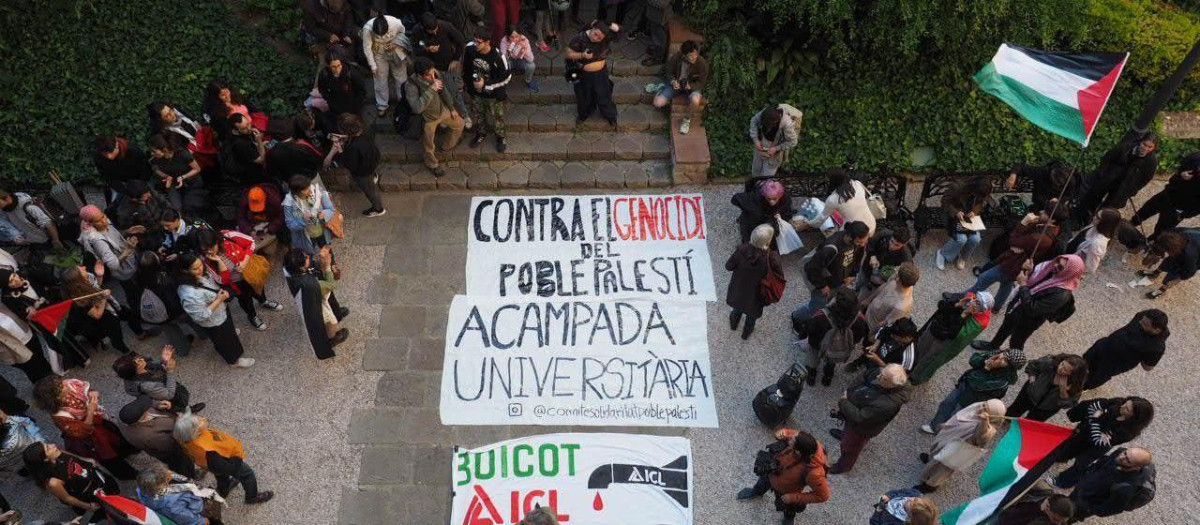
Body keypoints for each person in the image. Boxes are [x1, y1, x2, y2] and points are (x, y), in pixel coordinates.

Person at [32, 377, 138, 480]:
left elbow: (88, 389)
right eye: (61, 388)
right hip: (91, 439)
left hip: (99, 423)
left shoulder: (68, 384)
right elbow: (83, 432)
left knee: (116, 438)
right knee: (108, 456)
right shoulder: (59, 416)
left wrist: (92, 392)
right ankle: (129, 474)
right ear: (54, 397)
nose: (66, 386)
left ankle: (126, 452)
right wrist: (91, 410)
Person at [976, 254, 1083, 351]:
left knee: (1016, 341)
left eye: (1060, 267)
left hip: (1028, 320)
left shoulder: (1061, 294)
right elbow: (1034, 282)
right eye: (1057, 261)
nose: (1055, 265)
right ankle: (993, 346)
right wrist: (1031, 271)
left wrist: (1023, 285)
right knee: (1005, 327)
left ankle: (1012, 362)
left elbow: (1032, 309)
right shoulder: (1050, 271)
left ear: (1069, 272)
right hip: (1018, 306)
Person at [968, 209, 1065, 312]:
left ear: (1052, 220)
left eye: (1046, 212)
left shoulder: (1040, 238)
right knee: (1007, 283)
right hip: (1018, 264)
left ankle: (965, 297)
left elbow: (1013, 240)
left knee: (984, 278)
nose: (1041, 211)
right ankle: (996, 306)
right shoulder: (1052, 228)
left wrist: (1024, 222)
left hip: (1014, 264)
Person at [76, 205, 150, 340]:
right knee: (134, 293)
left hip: (129, 266)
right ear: (90, 223)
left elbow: (113, 234)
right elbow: (114, 264)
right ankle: (143, 316)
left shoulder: (102, 221)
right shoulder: (96, 239)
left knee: (135, 292)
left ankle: (142, 314)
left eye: (103, 216)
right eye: (98, 221)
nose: (104, 221)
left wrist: (127, 231)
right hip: (124, 271)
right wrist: (127, 250)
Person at [734, 428, 830, 525]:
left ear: (798, 451)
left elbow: (823, 496)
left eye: (793, 440)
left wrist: (793, 497)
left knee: (789, 507)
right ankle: (756, 492)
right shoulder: (805, 440)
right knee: (762, 482)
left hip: (787, 490)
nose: (791, 438)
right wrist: (782, 433)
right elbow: (790, 433)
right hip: (772, 472)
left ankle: (789, 518)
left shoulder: (815, 473)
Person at [173, 413, 274, 505]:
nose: (202, 418)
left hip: (208, 464)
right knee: (247, 474)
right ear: (195, 432)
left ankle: (224, 489)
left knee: (221, 475)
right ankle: (252, 497)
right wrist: (237, 459)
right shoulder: (209, 451)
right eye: (198, 421)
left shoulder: (187, 440)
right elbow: (227, 467)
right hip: (225, 462)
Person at [194, 228, 283, 332]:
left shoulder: (229, 236)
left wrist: (245, 260)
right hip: (235, 284)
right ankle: (252, 316)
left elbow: (251, 242)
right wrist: (220, 262)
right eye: (205, 249)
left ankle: (263, 301)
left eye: (211, 247)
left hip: (250, 273)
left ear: (216, 240)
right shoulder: (204, 260)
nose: (209, 251)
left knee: (258, 287)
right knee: (245, 300)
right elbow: (222, 281)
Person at [176, 253, 255, 369]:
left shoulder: (200, 275)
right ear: (185, 271)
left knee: (227, 334)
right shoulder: (188, 294)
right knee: (224, 341)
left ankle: (230, 336)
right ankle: (234, 361)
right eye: (195, 268)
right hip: (213, 320)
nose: (200, 269)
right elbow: (200, 316)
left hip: (220, 311)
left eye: (200, 265)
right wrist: (219, 300)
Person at [1053, 396, 1153, 488]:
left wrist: (1095, 418)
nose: (1122, 406)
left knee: (1080, 465)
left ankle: (1062, 482)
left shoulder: (1127, 433)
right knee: (1069, 447)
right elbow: (1093, 406)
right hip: (1083, 433)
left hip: (1094, 448)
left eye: (1127, 409)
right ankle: (1060, 458)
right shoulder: (1118, 402)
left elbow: (1098, 441)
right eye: (1125, 403)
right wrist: (1098, 427)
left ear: (1134, 417)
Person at [0, 268, 88, 373]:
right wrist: (29, 312)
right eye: (11, 281)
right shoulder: (8, 297)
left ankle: (83, 349)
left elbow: (45, 284)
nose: (16, 280)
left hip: (53, 307)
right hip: (41, 319)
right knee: (58, 338)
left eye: (14, 276)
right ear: (6, 286)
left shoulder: (28, 277)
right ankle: (76, 359)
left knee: (66, 329)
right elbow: (21, 313)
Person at [828, 364, 910, 474]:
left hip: (861, 428)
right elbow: (865, 375)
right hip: (854, 416)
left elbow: (859, 417)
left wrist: (844, 401)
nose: (878, 377)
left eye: (883, 378)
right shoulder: (884, 375)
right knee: (848, 434)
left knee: (851, 449)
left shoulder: (887, 404)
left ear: (892, 384)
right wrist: (851, 391)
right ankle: (844, 436)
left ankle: (843, 466)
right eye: (881, 372)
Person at [922, 348, 1025, 434]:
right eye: (1004, 354)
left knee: (957, 416)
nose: (1001, 357)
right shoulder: (995, 354)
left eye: (1006, 360)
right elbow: (973, 359)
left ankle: (945, 434)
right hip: (963, 386)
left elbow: (976, 383)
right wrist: (984, 360)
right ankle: (935, 426)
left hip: (971, 400)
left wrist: (987, 368)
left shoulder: (1003, 382)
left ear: (1010, 367)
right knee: (947, 404)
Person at [916, 399, 1005, 493]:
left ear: (992, 416)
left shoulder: (989, 428)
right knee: (937, 451)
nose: (982, 408)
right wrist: (948, 424)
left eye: (986, 409)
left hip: (957, 448)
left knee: (943, 468)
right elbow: (960, 416)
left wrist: (984, 422)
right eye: (984, 404)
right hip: (949, 437)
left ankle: (930, 486)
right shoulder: (977, 407)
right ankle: (931, 461)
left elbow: (982, 437)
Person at [22, 442, 121, 523]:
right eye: (48, 448)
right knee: (109, 513)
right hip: (89, 495)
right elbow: (68, 499)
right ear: (44, 459)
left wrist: (86, 460)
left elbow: (73, 457)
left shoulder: (58, 452)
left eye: (47, 444)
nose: (52, 444)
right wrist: (89, 506)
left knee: (115, 499)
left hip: (96, 478)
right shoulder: (53, 482)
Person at [794, 221, 869, 321]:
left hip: (838, 282)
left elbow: (857, 258)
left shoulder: (857, 243)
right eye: (860, 242)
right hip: (826, 286)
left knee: (825, 304)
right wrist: (822, 285)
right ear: (850, 237)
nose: (863, 245)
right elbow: (811, 268)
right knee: (815, 308)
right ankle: (796, 317)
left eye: (864, 241)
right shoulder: (830, 248)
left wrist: (852, 274)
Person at [405, 57, 466, 177]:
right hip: (428, 119)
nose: (433, 77)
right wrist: (431, 89)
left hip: (441, 110)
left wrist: (452, 108)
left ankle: (446, 146)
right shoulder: (411, 85)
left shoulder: (435, 73)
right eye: (428, 75)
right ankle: (432, 164)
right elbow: (417, 108)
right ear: (420, 75)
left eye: (433, 73)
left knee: (459, 124)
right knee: (428, 145)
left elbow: (444, 92)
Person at [795, 287, 869, 386]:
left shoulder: (820, 316)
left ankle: (812, 376)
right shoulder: (860, 321)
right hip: (839, 349)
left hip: (817, 346)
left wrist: (802, 336)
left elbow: (808, 330)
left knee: (813, 358)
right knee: (831, 359)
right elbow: (859, 337)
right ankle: (828, 375)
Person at [284, 247, 350, 359]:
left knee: (329, 312)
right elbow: (331, 285)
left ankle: (336, 312)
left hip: (309, 300)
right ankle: (332, 338)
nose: (308, 257)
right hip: (316, 303)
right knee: (330, 321)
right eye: (306, 258)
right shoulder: (312, 285)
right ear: (301, 267)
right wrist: (328, 266)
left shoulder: (290, 269)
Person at [1077, 134, 1159, 222]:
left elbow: (1146, 179)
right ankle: (1082, 217)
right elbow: (1109, 157)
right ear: (1141, 142)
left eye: (1149, 147)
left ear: (1153, 148)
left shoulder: (1151, 162)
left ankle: (1096, 222)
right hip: (1109, 178)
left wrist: (1132, 190)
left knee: (1109, 207)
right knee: (1093, 196)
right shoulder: (1127, 147)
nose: (1145, 148)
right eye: (1144, 144)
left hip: (1123, 187)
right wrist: (1101, 173)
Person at [1082, 309, 1168, 390]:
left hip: (1113, 363)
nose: (1140, 322)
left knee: (1095, 377)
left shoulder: (1157, 347)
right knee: (1083, 362)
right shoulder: (1143, 316)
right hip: (1104, 345)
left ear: (1157, 330)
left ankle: (1080, 388)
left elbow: (1147, 367)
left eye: (1145, 324)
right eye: (1142, 319)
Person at [412, 12, 470, 127]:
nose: (434, 33)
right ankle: (444, 115)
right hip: (430, 69)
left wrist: (456, 59)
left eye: (436, 29)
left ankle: (464, 114)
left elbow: (460, 41)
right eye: (431, 32)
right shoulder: (417, 31)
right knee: (438, 93)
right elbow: (415, 50)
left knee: (454, 91)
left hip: (447, 66)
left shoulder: (446, 26)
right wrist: (427, 49)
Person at [137, 251, 200, 356]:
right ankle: (204, 334)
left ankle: (183, 350)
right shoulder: (163, 277)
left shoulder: (139, 278)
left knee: (172, 332)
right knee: (192, 320)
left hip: (159, 314)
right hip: (175, 310)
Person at [118, 397, 197, 480]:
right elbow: (172, 445)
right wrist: (180, 423)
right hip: (172, 452)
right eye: (145, 409)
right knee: (182, 464)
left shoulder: (126, 416)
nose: (149, 407)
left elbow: (149, 404)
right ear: (143, 416)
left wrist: (157, 405)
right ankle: (190, 478)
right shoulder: (148, 436)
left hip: (169, 433)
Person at [725, 224, 781, 340]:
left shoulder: (741, 250)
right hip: (757, 294)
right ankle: (746, 333)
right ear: (768, 241)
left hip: (739, 288)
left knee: (737, 308)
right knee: (752, 316)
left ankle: (734, 324)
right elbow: (778, 276)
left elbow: (728, 266)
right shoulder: (772, 258)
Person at [1068, 447, 1156, 521]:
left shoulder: (1125, 489)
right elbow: (1101, 464)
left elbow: (1107, 510)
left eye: (1128, 461)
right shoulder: (1119, 453)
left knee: (1065, 518)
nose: (1122, 457)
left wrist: (1086, 507)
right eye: (1125, 453)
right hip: (1081, 489)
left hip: (1084, 504)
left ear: (1136, 468)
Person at [60, 265, 132, 354]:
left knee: (129, 314)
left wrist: (99, 276)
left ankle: (139, 331)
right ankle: (124, 350)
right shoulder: (78, 302)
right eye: (81, 269)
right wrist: (104, 297)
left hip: (110, 308)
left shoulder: (85, 282)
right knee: (116, 334)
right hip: (105, 319)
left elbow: (96, 290)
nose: (84, 267)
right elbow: (97, 314)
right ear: (78, 279)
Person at [463, 29, 513, 152]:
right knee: (478, 115)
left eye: (478, 42)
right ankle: (481, 133)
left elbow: (506, 78)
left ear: (487, 42)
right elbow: (466, 68)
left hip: (493, 95)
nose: (475, 44)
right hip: (476, 93)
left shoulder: (498, 57)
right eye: (475, 41)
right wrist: (468, 85)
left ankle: (501, 137)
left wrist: (485, 84)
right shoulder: (470, 50)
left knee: (497, 117)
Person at [113, 348, 203, 414]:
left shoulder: (135, 370)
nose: (140, 359)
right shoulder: (146, 385)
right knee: (178, 405)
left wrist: (164, 361)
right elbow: (169, 394)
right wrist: (170, 371)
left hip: (160, 389)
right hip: (167, 396)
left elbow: (156, 367)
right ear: (133, 371)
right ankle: (188, 411)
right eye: (136, 363)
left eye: (136, 358)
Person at [1131, 151, 1200, 238]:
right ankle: (1128, 226)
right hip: (1167, 195)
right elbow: (1174, 179)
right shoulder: (1194, 159)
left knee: (1161, 232)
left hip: (1178, 209)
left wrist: (1184, 215)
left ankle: (1151, 246)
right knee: (1144, 211)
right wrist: (1181, 176)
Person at [331, 114, 386, 217]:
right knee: (370, 178)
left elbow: (350, 165)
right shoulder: (367, 132)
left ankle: (378, 209)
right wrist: (346, 138)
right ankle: (374, 176)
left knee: (370, 191)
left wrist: (340, 150)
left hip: (363, 173)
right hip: (372, 160)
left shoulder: (353, 147)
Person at [566, 21, 619, 127]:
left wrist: (615, 27)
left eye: (600, 38)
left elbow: (617, 34)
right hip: (583, 74)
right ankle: (583, 115)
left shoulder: (605, 38)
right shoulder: (579, 38)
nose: (596, 38)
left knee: (603, 94)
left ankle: (610, 116)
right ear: (593, 28)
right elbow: (568, 53)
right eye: (595, 34)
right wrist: (582, 55)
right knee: (583, 96)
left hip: (600, 74)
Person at [1007, 353, 1087, 422]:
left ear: (1072, 374)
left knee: (1030, 424)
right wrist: (1032, 383)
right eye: (1062, 364)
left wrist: (1062, 390)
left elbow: (1068, 404)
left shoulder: (1076, 385)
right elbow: (1032, 366)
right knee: (1013, 411)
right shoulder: (1050, 363)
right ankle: (1004, 421)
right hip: (1028, 395)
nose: (1060, 368)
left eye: (1065, 370)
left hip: (1046, 409)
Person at [136, 464, 226, 525]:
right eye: (165, 476)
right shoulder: (170, 506)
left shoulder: (146, 486)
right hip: (199, 510)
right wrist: (201, 521)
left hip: (194, 498)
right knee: (215, 521)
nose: (169, 473)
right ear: (162, 484)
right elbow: (185, 517)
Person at [936, 176, 992, 270]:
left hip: (967, 218)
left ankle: (963, 257)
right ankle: (942, 253)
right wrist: (956, 212)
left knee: (976, 239)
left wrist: (974, 212)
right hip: (952, 216)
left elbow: (980, 204)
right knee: (961, 239)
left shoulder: (980, 192)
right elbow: (944, 202)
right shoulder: (957, 187)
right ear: (973, 188)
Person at [362, 14, 412, 117]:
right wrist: (373, 65)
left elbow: (402, 33)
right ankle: (382, 105)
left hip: (395, 50)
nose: (381, 36)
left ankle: (403, 102)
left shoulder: (396, 23)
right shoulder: (367, 29)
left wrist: (396, 43)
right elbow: (367, 48)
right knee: (380, 80)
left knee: (401, 78)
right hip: (379, 53)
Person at [653, 41, 707, 135]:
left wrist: (691, 86)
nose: (693, 57)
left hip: (692, 87)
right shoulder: (677, 58)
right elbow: (668, 72)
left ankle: (686, 120)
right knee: (658, 103)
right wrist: (673, 81)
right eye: (690, 55)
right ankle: (661, 89)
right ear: (684, 55)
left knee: (695, 101)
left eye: (695, 55)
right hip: (676, 86)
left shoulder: (702, 63)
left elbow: (702, 82)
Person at [0, 292, 55, 384]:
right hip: (11, 349)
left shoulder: (2, 303)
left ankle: (53, 380)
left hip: (28, 335)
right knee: (31, 368)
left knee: (40, 358)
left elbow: (17, 309)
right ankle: (44, 387)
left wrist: (27, 309)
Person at [147, 134, 203, 213]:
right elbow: (156, 169)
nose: (152, 154)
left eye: (154, 151)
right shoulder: (155, 159)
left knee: (189, 206)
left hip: (191, 182)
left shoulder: (182, 153)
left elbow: (197, 169)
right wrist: (166, 176)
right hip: (173, 183)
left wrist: (183, 177)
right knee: (176, 208)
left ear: (164, 149)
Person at [1138, 228, 1200, 299]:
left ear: (1173, 249)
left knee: (1175, 273)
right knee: (1169, 260)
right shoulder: (1180, 233)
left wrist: (1178, 279)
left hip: (1197, 258)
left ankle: (1163, 289)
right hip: (1195, 239)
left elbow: (1190, 271)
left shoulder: (1189, 256)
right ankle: (1155, 273)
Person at [731, 178, 796, 245]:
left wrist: (780, 215)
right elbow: (735, 198)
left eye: (774, 199)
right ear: (764, 195)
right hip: (758, 221)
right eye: (769, 198)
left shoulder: (785, 199)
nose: (772, 201)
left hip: (772, 223)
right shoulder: (757, 196)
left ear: (780, 196)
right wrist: (753, 210)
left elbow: (787, 213)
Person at [861, 262, 919, 337]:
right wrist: (868, 300)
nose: (895, 274)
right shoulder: (900, 281)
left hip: (871, 326)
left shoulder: (901, 307)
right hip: (868, 312)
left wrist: (871, 334)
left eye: (897, 274)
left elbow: (885, 324)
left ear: (898, 279)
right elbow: (884, 287)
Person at [283, 176, 336, 255]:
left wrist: (324, 214)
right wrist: (303, 220)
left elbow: (330, 209)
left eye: (309, 186)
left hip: (323, 231)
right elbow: (290, 224)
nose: (310, 190)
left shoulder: (318, 192)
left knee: (327, 251)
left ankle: (332, 264)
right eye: (305, 189)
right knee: (307, 255)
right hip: (305, 236)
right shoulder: (289, 203)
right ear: (297, 192)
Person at [316, 53, 368, 133]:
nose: (337, 69)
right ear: (328, 66)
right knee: (341, 126)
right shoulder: (324, 75)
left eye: (339, 66)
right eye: (333, 67)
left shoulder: (350, 73)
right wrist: (329, 99)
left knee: (354, 126)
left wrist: (357, 104)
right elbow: (321, 89)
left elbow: (361, 90)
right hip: (336, 107)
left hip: (353, 106)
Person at [92, 135, 153, 202]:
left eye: (111, 151)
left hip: (142, 180)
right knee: (118, 204)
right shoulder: (99, 158)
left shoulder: (133, 151)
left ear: (116, 145)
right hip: (123, 185)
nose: (109, 156)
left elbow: (146, 170)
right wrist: (127, 193)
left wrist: (140, 190)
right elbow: (108, 178)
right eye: (105, 154)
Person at [845, 318, 918, 374]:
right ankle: (857, 363)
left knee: (872, 374)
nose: (891, 336)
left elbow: (897, 374)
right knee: (867, 353)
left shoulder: (909, 356)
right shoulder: (894, 328)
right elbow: (883, 330)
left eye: (895, 337)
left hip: (884, 367)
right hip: (877, 351)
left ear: (907, 338)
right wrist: (876, 344)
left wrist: (878, 361)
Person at [858, 227, 913, 299]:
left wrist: (893, 276)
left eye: (897, 245)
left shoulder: (906, 256)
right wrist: (872, 256)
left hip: (880, 278)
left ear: (905, 244)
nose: (892, 246)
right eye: (892, 241)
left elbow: (908, 274)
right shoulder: (883, 234)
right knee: (860, 281)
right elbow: (870, 243)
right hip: (867, 268)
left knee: (870, 295)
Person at [113, 181, 171, 251]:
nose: (150, 195)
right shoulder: (125, 212)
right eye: (146, 196)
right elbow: (125, 231)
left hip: (164, 229)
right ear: (134, 199)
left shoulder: (147, 191)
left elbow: (164, 203)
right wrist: (129, 231)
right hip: (149, 239)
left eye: (149, 192)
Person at [1005, 161, 1077, 214]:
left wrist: (1059, 200)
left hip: (1055, 207)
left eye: (1059, 184)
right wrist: (1013, 176)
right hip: (1039, 203)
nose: (1057, 185)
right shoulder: (1044, 172)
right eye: (1055, 182)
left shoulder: (1071, 181)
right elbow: (1019, 166)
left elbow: (1070, 195)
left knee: (1061, 220)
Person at [1065, 207, 1121, 274]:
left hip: (1068, 267)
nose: (1094, 217)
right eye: (1096, 215)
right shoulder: (1094, 226)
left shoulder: (1098, 243)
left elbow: (1090, 268)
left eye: (1098, 218)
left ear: (1105, 224)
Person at [749, 106, 798, 178]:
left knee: (766, 176)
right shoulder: (765, 112)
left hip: (775, 149)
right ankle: (756, 186)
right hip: (762, 144)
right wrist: (756, 140)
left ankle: (765, 187)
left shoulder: (787, 123)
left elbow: (793, 141)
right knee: (756, 171)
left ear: (775, 122)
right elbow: (754, 120)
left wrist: (776, 148)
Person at [220, 113, 268, 185]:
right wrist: (259, 141)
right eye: (244, 128)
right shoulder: (240, 144)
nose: (249, 129)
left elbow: (252, 146)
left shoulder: (234, 134)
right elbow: (261, 160)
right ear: (236, 130)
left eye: (248, 124)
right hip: (252, 175)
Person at [236, 184, 286, 250]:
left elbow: (281, 216)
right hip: (252, 225)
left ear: (265, 198)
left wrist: (270, 228)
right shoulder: (244, 200)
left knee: (270, 249)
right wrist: (248, 230)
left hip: (269, 224)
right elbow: (240, 217)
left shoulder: (274, 200)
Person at [0, 408, 46, 474]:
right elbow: (39, 443)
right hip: (38, 454)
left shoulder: (8, 422)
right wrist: (30, 427)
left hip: (18, 465)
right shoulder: (16, 433)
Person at [996, 489, 1075, 525]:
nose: (1058, 524)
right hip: (1002, 514)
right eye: (1056, 519)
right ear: (1047, 506)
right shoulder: (1043, 491)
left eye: (1062, 521)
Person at [869, 488, 938, 525]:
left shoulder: (897, 522)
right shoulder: (915, 493)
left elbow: (874, 523)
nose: (910, 499)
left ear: (911, 516)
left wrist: (878, 510)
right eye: (915, 499)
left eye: (911, 504)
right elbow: (898, 491)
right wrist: (889, 495)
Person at [500, 25, 538, 92]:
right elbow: (502, 59)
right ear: (508, 36)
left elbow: (531, 59)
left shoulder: (524, 40)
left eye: (517, 36)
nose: (514, 39)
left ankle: (528, 81)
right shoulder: (504, 40)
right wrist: (509, 50)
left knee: (531, 65)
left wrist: (524, 49)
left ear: (520, 35)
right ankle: (503, 81)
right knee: (502, 65)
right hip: (510, 61)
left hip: (521, 61)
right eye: (512, 37)